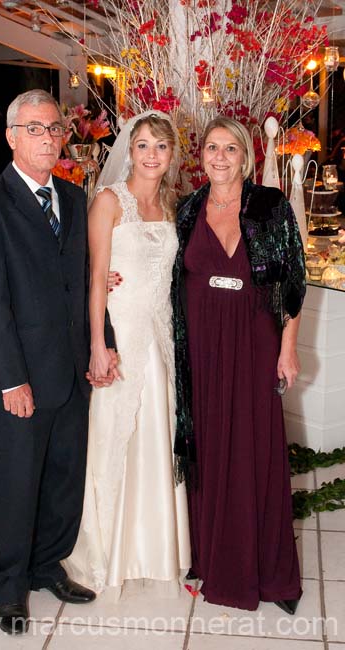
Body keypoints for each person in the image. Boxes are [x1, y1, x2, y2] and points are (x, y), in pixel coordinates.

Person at [0, 88, 117, 635]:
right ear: (11, 137)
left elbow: (88, 283)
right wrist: (10, 380)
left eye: (53, 128)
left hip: (73, 369)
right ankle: (9, 586)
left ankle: (49, 565)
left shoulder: (73, 199)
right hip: (21, 376)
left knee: (64, 477)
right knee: (18, 482)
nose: (48, 138)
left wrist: (103, 343)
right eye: (34, 129)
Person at [172, 116, 306, 614]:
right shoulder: (187, 208)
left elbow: (293, 281)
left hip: (254, 342)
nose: (221, 157)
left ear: (246, 158)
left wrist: (287, 348)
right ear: (201, 155)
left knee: (258, 448)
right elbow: (165, 267)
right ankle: (211, 557)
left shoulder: (269, 206)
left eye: (231, 149)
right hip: (202, 347)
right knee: (207, 448)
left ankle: (272, 575)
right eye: (212, 148)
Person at [64, 110, 191, 597]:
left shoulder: (173, 202)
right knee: (117, 433)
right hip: (122, 333)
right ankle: (110, 547)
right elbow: (96, 277)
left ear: (172, 154)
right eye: (142, 145)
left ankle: (159, 547)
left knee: (160, 433)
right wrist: (99, 345)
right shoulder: (108, 201)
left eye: (161, 146)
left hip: (161, 334)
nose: (152, 155)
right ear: (129, 149)